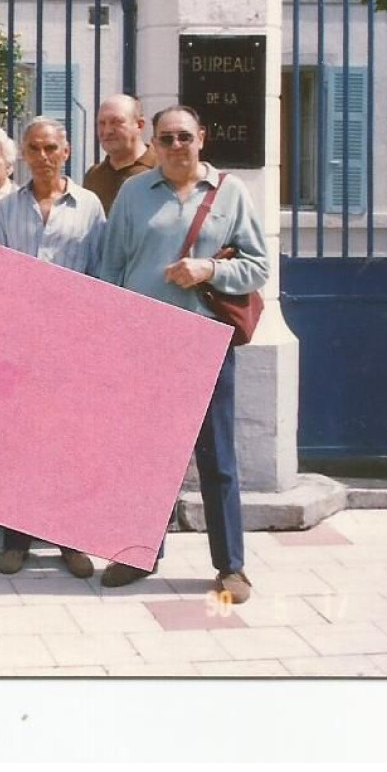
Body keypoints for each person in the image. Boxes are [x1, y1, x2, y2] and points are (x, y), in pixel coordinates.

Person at [96, 105, 269, 604]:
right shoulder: (134, 194)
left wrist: (208, 271)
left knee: (217, 460)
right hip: (146, 342)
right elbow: (112, 267)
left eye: (184, 138)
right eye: (166, 139)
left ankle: (231, 566)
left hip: (205, 341)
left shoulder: (230, 193)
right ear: (154, 141)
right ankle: (136, 553)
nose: (175, 147)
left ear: (202, 138)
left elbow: (257, 268)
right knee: (143, 457)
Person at [0, 116, 107, 578]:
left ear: (67, 151)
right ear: (23, 154)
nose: (42, 157)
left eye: (50, 148)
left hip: (71, 345)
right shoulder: (7, 208)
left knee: (69, 444)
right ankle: (16, 538)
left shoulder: (90, 207)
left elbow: (101, 273)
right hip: (19, 344)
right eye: (33, 149)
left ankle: (70, 539)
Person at [83, 93, 157, 214]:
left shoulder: (162, 170)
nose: (107, 131)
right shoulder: (94, 176)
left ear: (139, 125)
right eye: (101, 123)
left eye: (116, 122)